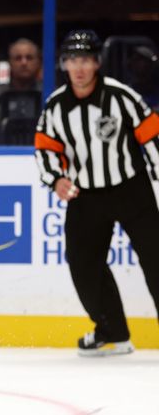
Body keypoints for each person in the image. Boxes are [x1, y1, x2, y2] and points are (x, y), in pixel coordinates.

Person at [34, 29, 159, 356]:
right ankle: (112, 331)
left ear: (97, 62)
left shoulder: (121, 96)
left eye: (86, 59)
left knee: (156, 259)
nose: (79, 67)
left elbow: (152, 137)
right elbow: (45, 147)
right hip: (85, 195)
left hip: (132, 189)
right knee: (82, 263)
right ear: (64, 64)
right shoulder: (56, 105)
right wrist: (55, 178)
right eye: (73, 59)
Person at [0, 38, 42, 126]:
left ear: (38, 62)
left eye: (29, 58)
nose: (24, 63)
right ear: (10, 62)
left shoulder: (50, 95)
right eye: (18, 58)